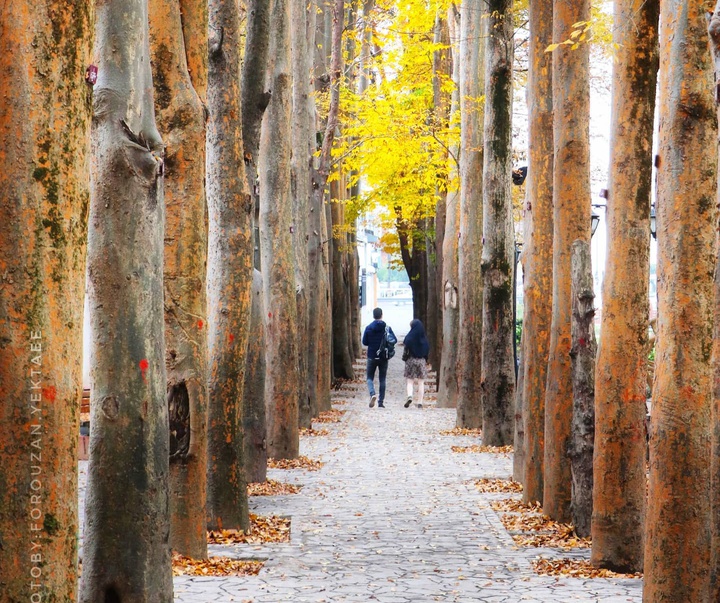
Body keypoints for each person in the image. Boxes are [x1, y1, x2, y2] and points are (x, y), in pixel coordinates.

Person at [362, 307, 396, 408]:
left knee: (369, 377)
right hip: (383, 357)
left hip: (372, 356)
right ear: (382, 315)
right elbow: (393, 339)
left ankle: (372, 393)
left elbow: (365, 342)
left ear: (373, 316)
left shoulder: (368, 328)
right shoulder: (387, 328)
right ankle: (381, 402)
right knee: (382, 379)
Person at [402, 319, 430, 408]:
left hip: (411, 360)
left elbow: (405, 346)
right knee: (421, 382)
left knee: (410, 381)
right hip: (421, 361)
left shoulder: (409, 337)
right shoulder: (424, 339)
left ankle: (410, 396)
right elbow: (427, 351)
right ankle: (420, 402)